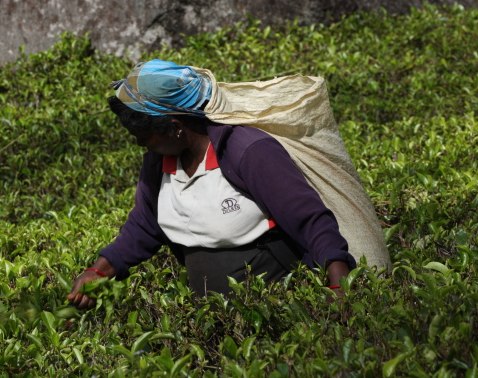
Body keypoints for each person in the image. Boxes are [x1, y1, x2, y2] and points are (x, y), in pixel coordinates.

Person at [67, 60, 355, 308]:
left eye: (141, 134)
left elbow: (311, 221)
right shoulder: (159, 163)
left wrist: (339, 290)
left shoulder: (248, 152)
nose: (138, 142)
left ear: (176, 128)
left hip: (278, 307)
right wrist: (98, 271)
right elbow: (144, 226)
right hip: (208, 315)